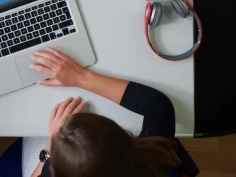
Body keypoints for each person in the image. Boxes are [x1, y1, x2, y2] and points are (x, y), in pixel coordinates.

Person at [13, 47, 196, 177]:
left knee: (30, 135)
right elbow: (158, 105)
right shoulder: (156, 160)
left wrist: (50, 148)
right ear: (124, 138)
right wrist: (82, 77)